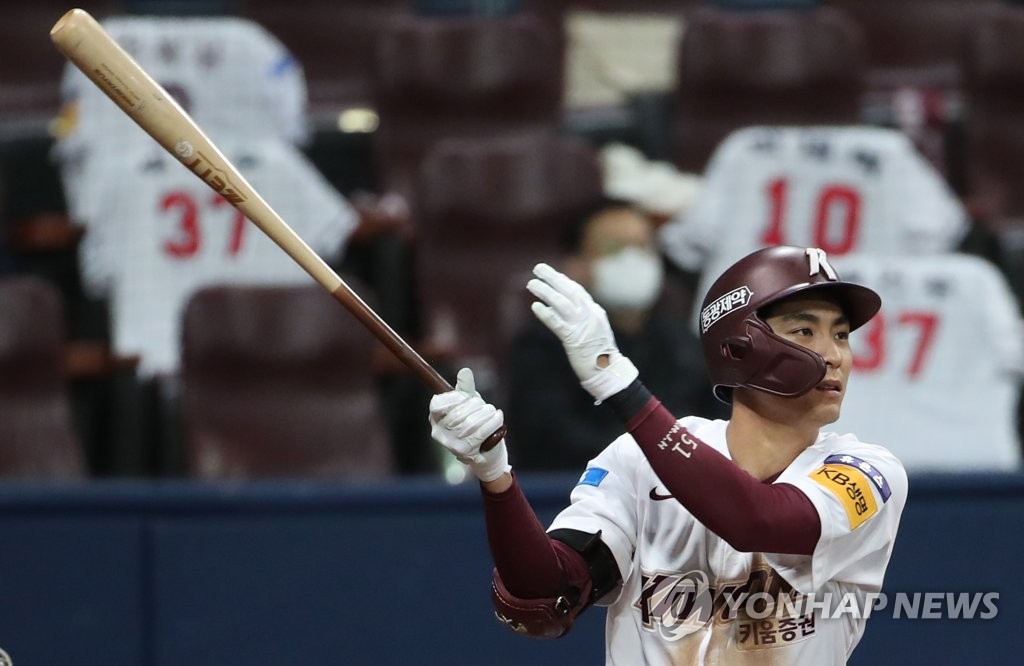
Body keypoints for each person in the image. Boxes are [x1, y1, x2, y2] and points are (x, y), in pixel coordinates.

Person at [428, 245, 907, 663]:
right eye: (805, 332)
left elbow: (760, 521)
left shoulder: (868, 471)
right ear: (739, 346)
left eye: (841, 335)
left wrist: (616, 383)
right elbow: (543, 600)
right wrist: (496, 476)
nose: (835, 356)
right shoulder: (638, 460)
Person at [505, 200, 725, 471]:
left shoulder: (683, 343)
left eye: (643, 247)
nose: (631, 260)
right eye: (614, 249)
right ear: (575, 265)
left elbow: (718, 428)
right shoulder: (542, 344)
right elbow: (547, 438)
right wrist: (649, 454)